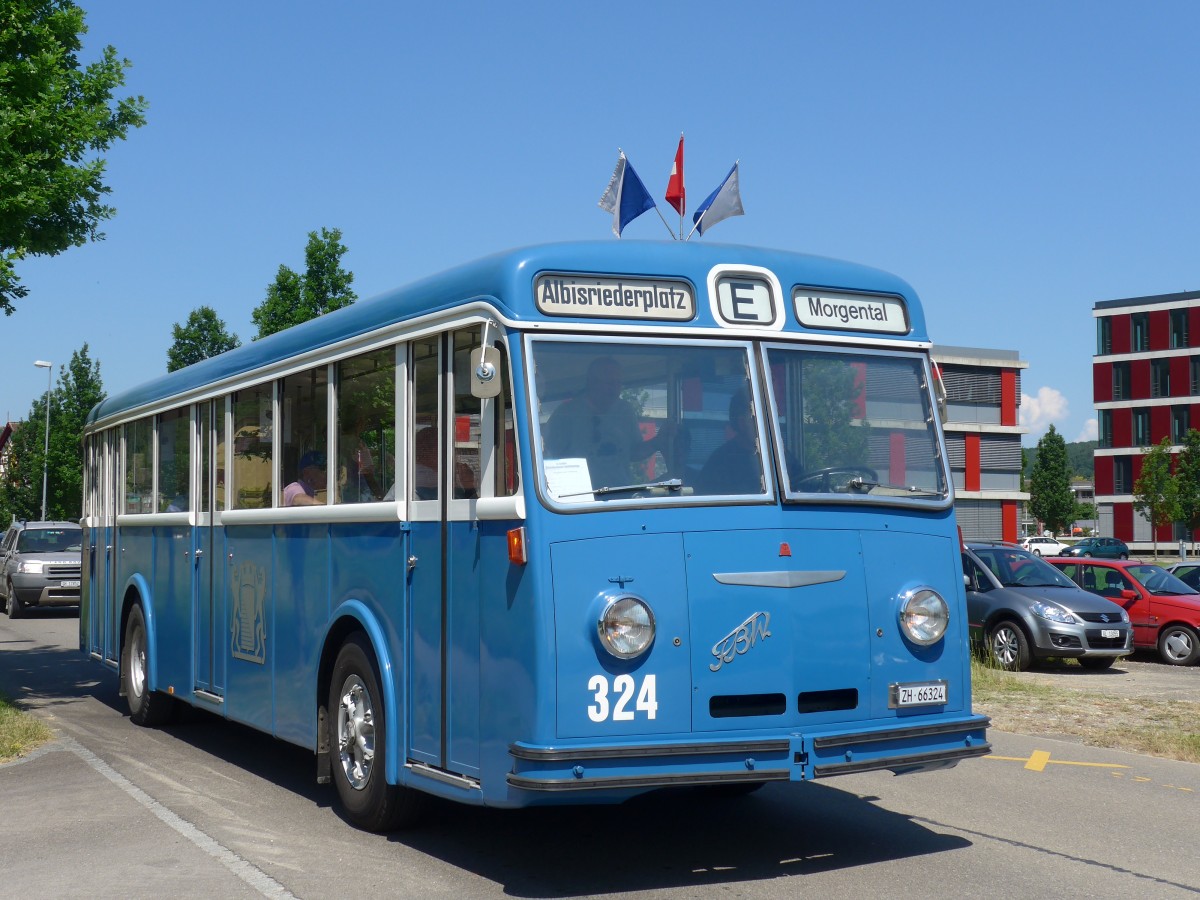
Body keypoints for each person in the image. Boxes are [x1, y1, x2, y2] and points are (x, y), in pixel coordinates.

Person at [544, 356, 669, 488]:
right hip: (578, 499)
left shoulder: (625, 411)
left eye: (618, 383)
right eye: (610, 383)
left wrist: (657, 442)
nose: (615, 389)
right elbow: (547, 457)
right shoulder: (566, 414)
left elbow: (632, 453)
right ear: (592, 382)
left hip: (619, 495)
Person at [697, 389, 763, 495]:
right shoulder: (719, 463)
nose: (766, 425)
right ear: (742, 422)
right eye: (758, 418)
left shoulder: (779, 456)